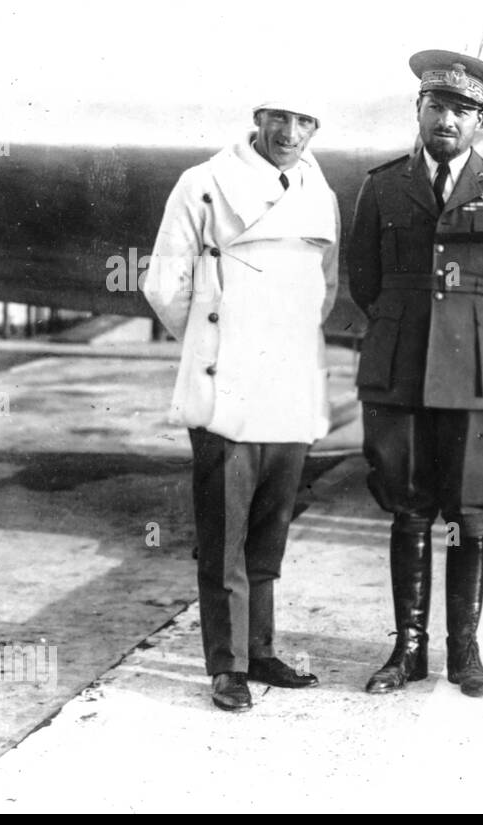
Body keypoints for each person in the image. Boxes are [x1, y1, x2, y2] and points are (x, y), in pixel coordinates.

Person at [348, 50, 483, 699]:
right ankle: (406, 651)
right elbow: (365, 278)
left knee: (470, 512)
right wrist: (408, 319)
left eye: (463, 110)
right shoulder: (383, 186)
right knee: (408, 507)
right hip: (402, 368)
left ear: (480, 121)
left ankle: (464, 653)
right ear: (418, 110)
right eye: (437, 106)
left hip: (480, 373)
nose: (448, 119)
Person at [143, 97, 340, 712]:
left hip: (288, 387)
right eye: (279, 118)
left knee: (269, 533)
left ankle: (261, 651)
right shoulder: (203, 184)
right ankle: (226, 667)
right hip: (227, 385)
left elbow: (325, 288)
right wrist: (216, 340)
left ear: (316, 127)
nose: (290, 133)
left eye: (305, 121)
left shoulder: (320, 193)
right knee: (223, 537)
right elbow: (163, 284)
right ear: (258, 118)